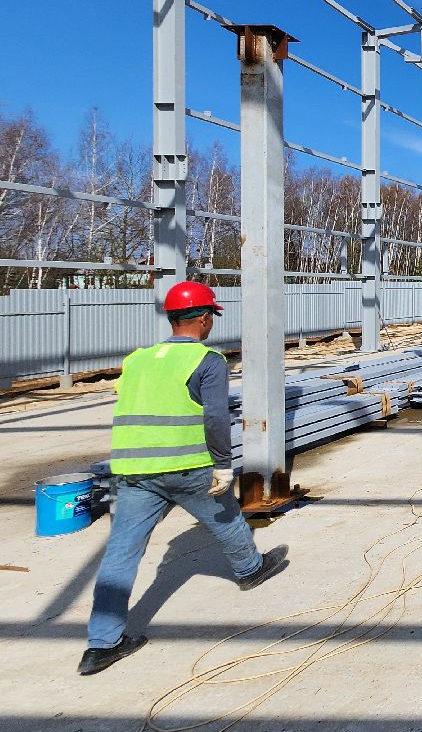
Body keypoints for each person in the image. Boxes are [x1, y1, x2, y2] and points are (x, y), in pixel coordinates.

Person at [79, 281, 287, 676]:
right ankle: (249, 569)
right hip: (186, 464)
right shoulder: (209, 361)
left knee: (122, 553)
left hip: (134, 469)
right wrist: (224, 463)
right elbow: (214, 417)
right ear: (205, 319)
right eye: (211, 317)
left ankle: (101, 644)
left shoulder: (137, 359)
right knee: (224, 518)